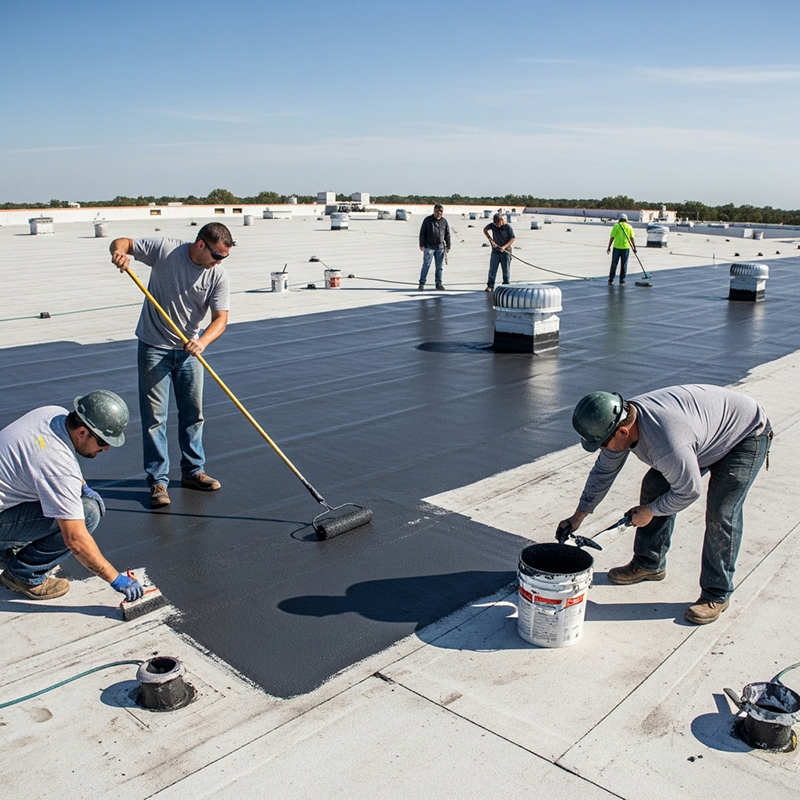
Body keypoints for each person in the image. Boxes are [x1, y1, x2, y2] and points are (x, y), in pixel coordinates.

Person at [557, 384, 771, 625]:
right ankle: (649, 564)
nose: (602, 449)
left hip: (745, 436)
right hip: (704, 433)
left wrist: (650, 511)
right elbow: (603, 473)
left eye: (602, 444)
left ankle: (716, 594)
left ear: (622, 433)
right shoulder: (620, 421)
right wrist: (578, 516)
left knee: (721, 513)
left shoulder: (667, 444)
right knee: (654, 485)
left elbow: (688, 492)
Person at [110, 223, 234, 509]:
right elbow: (122, 241)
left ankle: (193, 471)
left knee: (193, 413)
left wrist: (202, 342)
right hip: (154, 348)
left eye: (224, 257)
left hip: (190, 351)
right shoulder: (166, 250)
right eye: (217, 255)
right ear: (201, 244)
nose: (220, 262)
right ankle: (158, 482)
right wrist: (119, 254)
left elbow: (220, 319)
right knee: (155, 418)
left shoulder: (218, 276)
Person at [0, 391, 143, 602]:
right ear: (83, 432)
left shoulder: (54, 415)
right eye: (103, 441)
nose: (106, 447)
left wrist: (83, 486)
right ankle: (24, 575)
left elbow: (54, 463)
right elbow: (75, 540)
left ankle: (8, 547)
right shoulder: (58, 467)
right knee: (88, 513)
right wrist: (116, 579)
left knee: (58, 495)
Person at [418, 204, 451, 290]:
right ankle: (422, 283)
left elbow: (447, 234)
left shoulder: (444, 221)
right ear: (434, 211)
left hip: (440, 248)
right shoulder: (428, 220)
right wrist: (421, 244)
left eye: (440, 211)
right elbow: (422, 233)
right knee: (426, 265)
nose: (438, 213)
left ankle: (438, 284)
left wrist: (448, 245)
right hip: (429, 247)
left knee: (439, 267)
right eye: (437, 211)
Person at [483, 213, 516, 291]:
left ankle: (506, 285)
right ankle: (490, 286)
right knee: (492, 269)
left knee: (506, 270)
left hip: (506, 252)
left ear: (501, 220)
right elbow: (485, 230)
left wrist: (505, 246)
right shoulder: (493, 226)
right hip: (495, 252)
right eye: (495, 223)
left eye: (497, 223)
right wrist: (491, 240)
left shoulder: (508, 227)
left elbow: (513, 238)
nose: (496, 225)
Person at [606, 214, 637, 284]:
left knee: (614, 263)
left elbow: (612, 237)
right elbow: (632, 237)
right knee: (624, 264)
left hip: (616, 247)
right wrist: (634, 247)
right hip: (626, 248)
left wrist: (609, 247)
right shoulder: (629, 227)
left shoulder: (616, 226)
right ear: (626, 220)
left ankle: (611, 278)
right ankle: (622, 279)